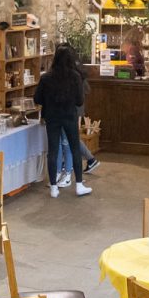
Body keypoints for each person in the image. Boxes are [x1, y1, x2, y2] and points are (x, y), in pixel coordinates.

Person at [35, 45, 95, 198]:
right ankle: (79, 185)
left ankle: (54, 187)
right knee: (75, 149)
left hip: (52, 118)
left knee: (53, 151)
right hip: (69, 116)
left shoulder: (46, 77)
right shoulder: (75, 77)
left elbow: (37, 99)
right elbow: (80, 101)